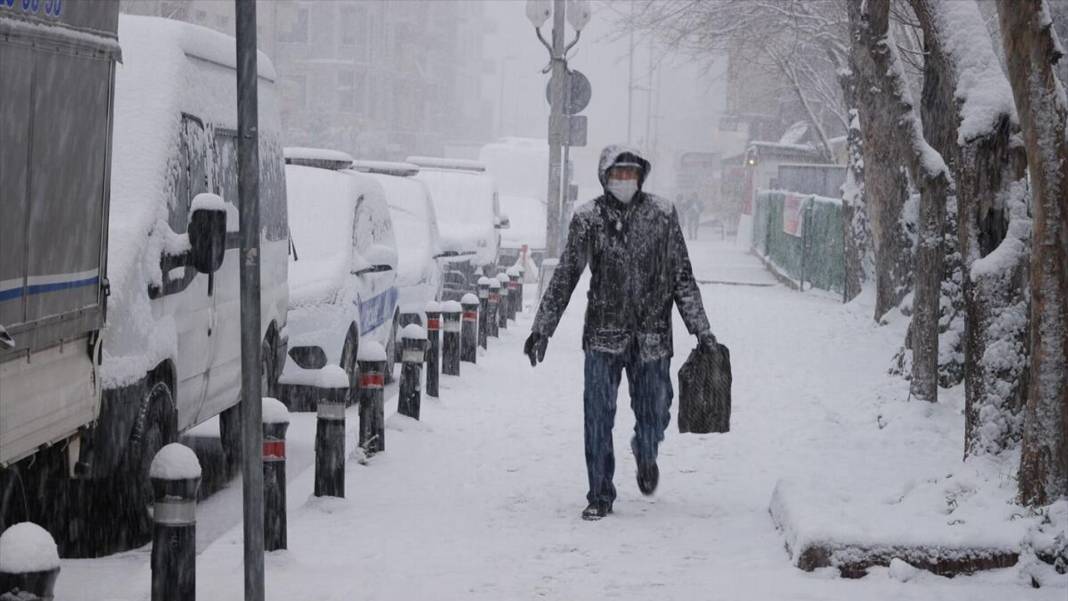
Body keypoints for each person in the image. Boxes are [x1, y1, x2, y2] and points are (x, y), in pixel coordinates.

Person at [524, 145, 717, 521]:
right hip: (603, 335)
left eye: (631, 174)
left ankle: (646, 451)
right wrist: (542, 328)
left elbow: (682, 277)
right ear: (605, 177)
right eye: (618, 174)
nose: (624, 181)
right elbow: (566, 276)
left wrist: (702, 330)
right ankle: (599, 493)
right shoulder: (589, 219)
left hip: (652, 337)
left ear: (641, 177)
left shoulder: (661, 216)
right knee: (597, 417)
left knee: (656, 411)